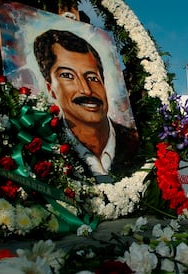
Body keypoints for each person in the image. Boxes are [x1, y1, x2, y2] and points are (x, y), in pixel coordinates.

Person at [34, 29, 139, 181]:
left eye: (92, 77)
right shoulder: (45, 147)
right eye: (67, 76)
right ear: (51, 89)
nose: (86, 90)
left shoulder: (133, 142)